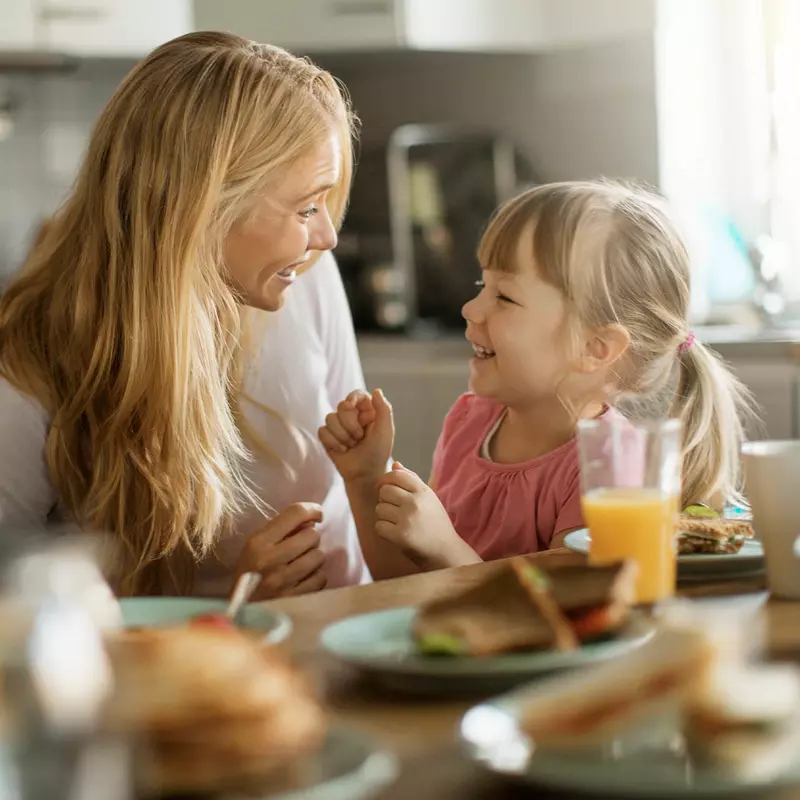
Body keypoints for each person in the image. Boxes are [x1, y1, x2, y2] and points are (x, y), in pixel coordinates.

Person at [0, 31, 366, 597]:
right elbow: (18, 618)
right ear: (206, 205)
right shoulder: (31, 350)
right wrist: (229, 605)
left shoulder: (306, 275)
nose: (327, 235)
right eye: (306, 207)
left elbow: (356, 478)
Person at [320, 181, 754, 580]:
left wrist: (446, 549)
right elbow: (404, 586)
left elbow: (564, 617)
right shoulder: (470, 421)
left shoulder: (607, 467)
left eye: (504, 296)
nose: (471, 309)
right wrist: (364, 480)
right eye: (481, 284)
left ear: (595, 348)